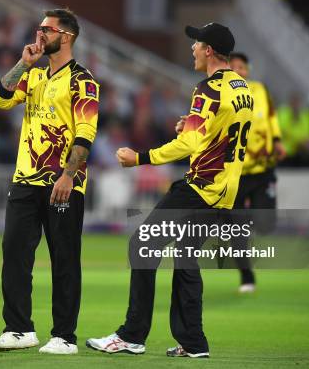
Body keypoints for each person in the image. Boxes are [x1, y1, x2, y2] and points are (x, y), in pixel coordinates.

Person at [86, 23, 252, 358]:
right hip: (224, 192)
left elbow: (189, 143)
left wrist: (140, 158)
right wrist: (191, 127)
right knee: (186, 257)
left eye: (196, 43)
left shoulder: (208, 89)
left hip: (200, 188)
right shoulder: (242, 87)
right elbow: (221, 133)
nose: (192, 48)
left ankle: (131, 335)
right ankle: (194, 343)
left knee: (142, 245)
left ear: (209, 50)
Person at [0, 8, 99, 355]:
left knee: (64, 259)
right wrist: (24, 63)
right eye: (39, 28)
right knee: (14, 253)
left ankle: (64, 336)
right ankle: (19, 329)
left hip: (61, 183)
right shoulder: (33, 76)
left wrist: (69, 175)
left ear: (67, 37)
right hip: (25, 179)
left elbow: (85, 133)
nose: (39, 34)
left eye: (46, 29)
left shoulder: (84, 81)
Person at [229, 52, 286, 293]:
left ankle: (247, 219)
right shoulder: (223, 95)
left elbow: (271, 117)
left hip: (263, 169)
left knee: (265, 224)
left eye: (242, 67)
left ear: (247, 70)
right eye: (233, 68)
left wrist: (277, 140)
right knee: (235, 230)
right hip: (235, 173)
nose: (238, 71)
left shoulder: (260, 90)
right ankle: (246, 277)